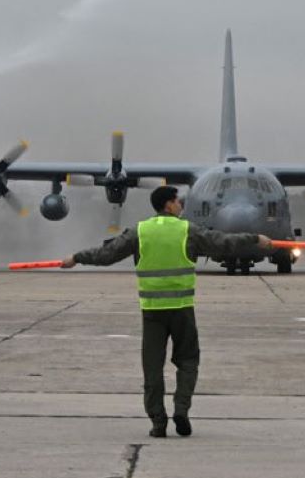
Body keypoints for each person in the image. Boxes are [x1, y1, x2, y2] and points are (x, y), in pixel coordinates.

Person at [61, 185, 273, 438]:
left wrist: (76, 257)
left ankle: (158, 422)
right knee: (188, 362)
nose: (181, 205)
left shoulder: (139, 232)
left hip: (152, 312)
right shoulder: (187, 230)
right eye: (178, 201)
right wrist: (255, 238)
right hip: (182, 310)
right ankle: (181, 409)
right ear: (169, 205)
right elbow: (223, 243)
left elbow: (107, 254)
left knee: (152, 368)